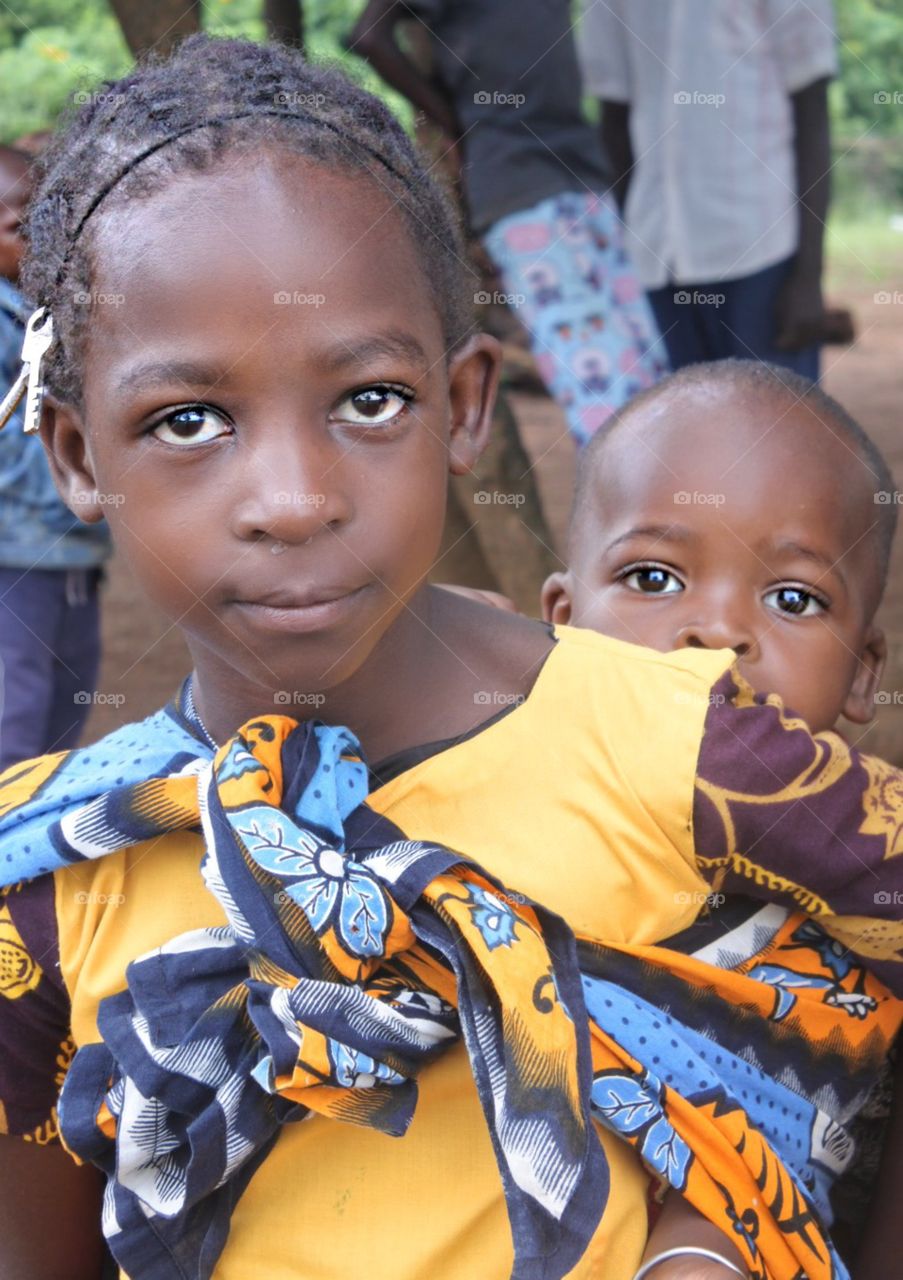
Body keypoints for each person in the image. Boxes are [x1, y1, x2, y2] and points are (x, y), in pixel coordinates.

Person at [1, 38, 903, 1280]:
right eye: (188, 420)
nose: (295, 498)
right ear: (76, 457)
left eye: (368, 399)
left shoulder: (685, 742)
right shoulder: (55, 870)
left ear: (467, 404)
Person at [541, 358, 900, 1273]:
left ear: (862, 674)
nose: (716, 629)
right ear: (561, 616)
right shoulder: (476, 770)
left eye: (792, 599)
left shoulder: (859, 853)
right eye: (654, 577)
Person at [348, 0, 668, 447]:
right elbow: (368, 36)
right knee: (604, 393)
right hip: (522, 186)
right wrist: (454, 123)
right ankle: (631, 508)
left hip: (582, 176)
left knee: (649, 374)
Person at [578, 0, 836, 380]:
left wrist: (808, 277)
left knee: (771, 428)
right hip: (654, 256)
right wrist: (616, 259)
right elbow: (613, 118)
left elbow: (812, 114)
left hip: (763, 252)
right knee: (677, 430)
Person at [0, 144, 111, 771]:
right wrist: (78, 490)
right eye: (21, 227)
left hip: (68, 553)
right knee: (17, 719)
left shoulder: (44, 310)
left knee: (65, 707)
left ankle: (28, 857)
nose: (41, 241)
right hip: (18, 557)